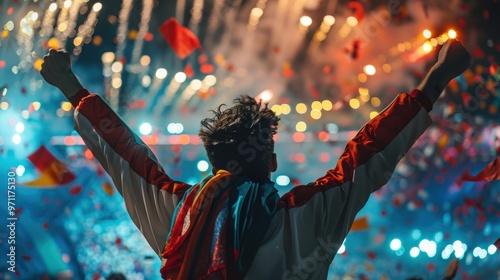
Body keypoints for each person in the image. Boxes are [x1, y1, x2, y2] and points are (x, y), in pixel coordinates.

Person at [40, 39, 471, 280]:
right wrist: (435, 80)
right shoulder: (308, 216)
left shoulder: (180, 218)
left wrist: (72, 88)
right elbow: (369, 152)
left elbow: (127, 157)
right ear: (274, 163)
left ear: (213, 164)